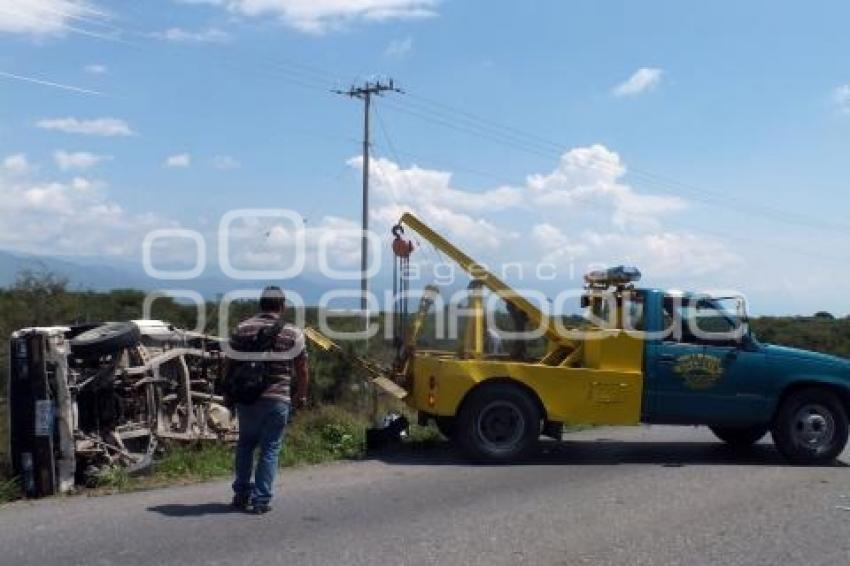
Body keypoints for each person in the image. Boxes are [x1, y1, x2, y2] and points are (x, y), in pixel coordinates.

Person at [230, 286, 309, 514]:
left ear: (260, 304)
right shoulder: (293, 333)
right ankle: (261, 500)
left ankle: (241, 493)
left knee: (245, 444)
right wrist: (300, 395)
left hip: (247, 398)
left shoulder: (243, 328)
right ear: (282, 307)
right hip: (277, 398)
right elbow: (302, 369)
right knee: (270, 449)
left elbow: (228, 362)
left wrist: (228, 390)